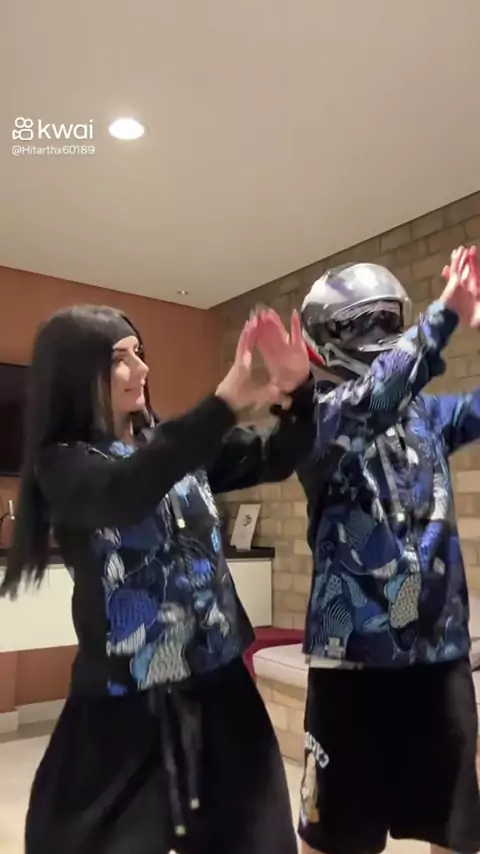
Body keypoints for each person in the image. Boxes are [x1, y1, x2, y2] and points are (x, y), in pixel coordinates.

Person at [0, 303, 314, 854]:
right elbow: (122, 491)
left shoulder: (171, 444)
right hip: (124, 702)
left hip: (221, 690)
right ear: (77, 374)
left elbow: (274, 457)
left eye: (139, 353)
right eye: (120, 359)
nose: (142, 368)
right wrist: (221, 406)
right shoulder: (61, 466)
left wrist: (298, 395)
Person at [255, 245, 480, 854]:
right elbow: (376, 398)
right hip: (352, 662)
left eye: (388, 318)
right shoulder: (319, 421)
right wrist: (446, 313)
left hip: (438, 652)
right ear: (330, 337)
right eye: (366, 321)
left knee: (456, 828)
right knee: (335, 835)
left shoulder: (428, 415)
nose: (381, 332)